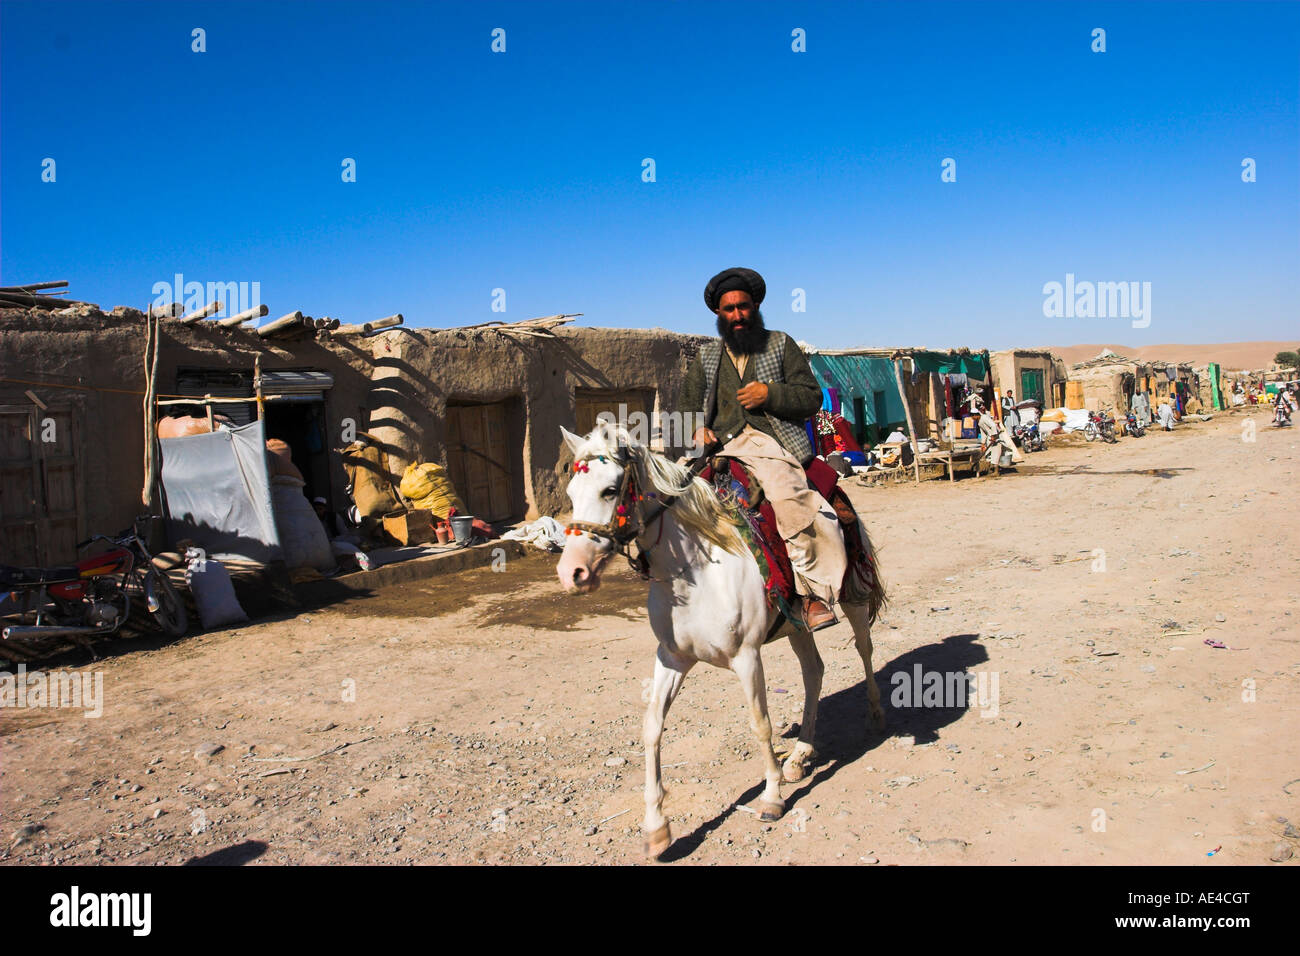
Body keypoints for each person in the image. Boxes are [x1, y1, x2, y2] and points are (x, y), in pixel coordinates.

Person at [679, 267, 843, 631]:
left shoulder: (780, 345)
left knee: (789, 500)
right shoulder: (706, 358)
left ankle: (810, 594)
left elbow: (812, 397)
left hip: (771, 444)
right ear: (718, 315)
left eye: (743, 307)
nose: (737, 315)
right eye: (729, 309)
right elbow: (685, 407)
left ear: (755, 307)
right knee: (670, 501)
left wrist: (771, 394)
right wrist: (697, 428)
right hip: (720, 449)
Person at [972, 394, 1024, 465]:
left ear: (975, 415)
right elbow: (983, 432)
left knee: (995, 454)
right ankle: (991, 468)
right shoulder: (979, 422)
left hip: (996, 437)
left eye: (973, 417)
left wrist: (993, 436)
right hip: (990, 438)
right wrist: (983, 443)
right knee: (988, 454)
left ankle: (996, 470)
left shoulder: (984, 418)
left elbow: (993, 425)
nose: (973, 419)